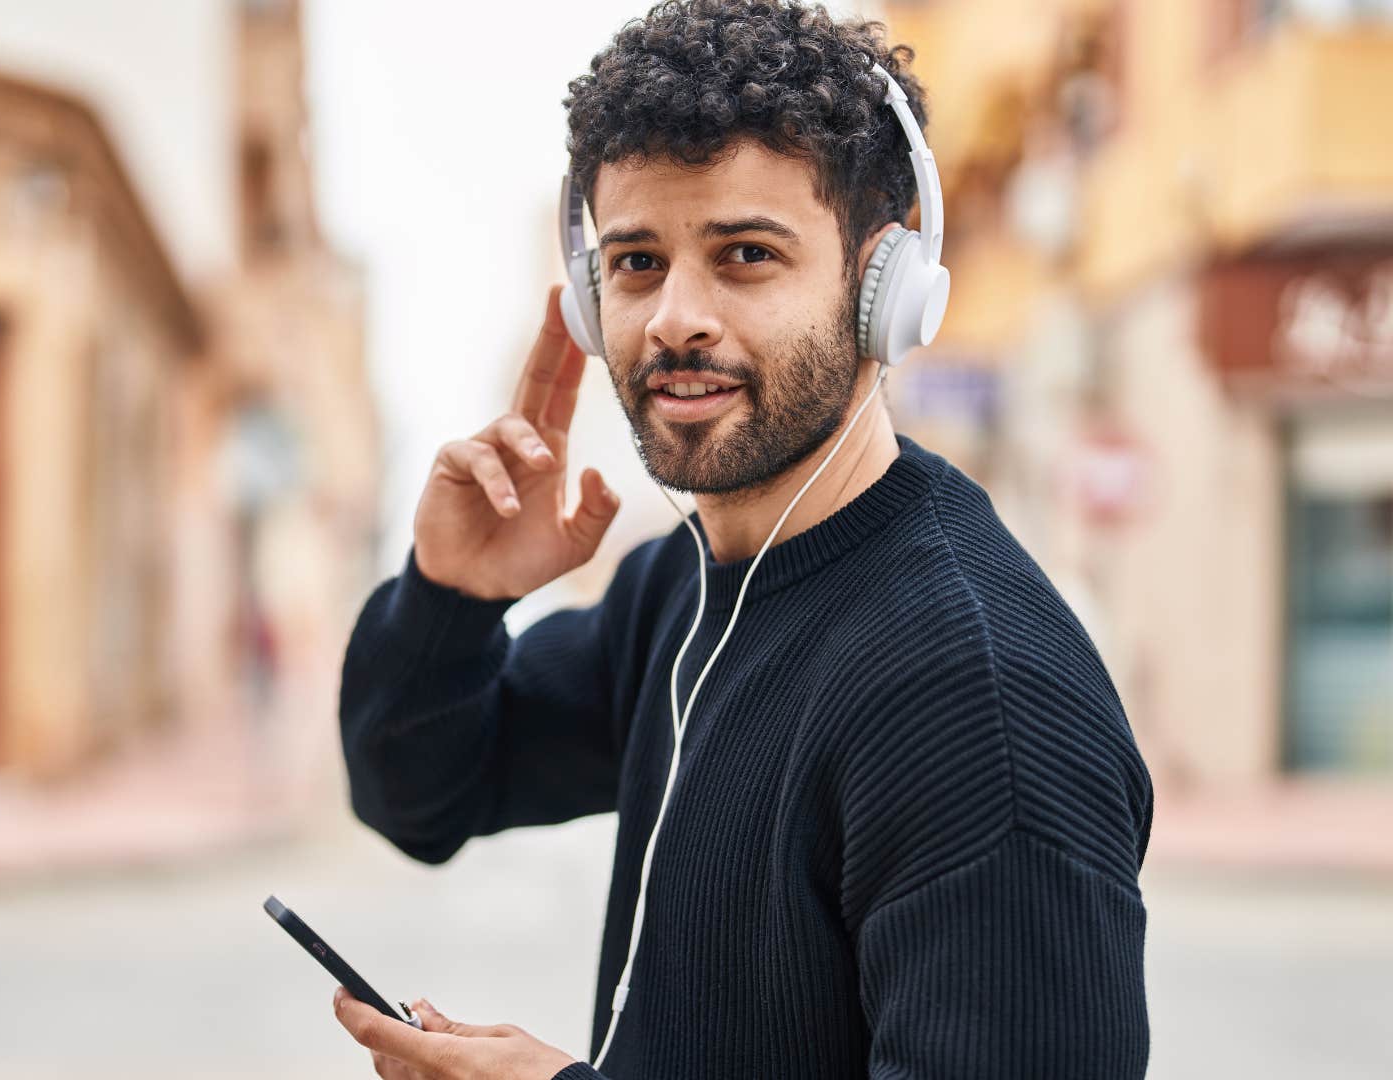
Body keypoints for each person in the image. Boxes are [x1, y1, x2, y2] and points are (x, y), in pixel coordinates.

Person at [331, 2, 1154, 1077]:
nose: (676, 317)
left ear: (882, 291)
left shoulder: (975, 695)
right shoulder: (682, 586)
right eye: (634, 262)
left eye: (747, 254)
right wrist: (451, 596)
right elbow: (422, 792)